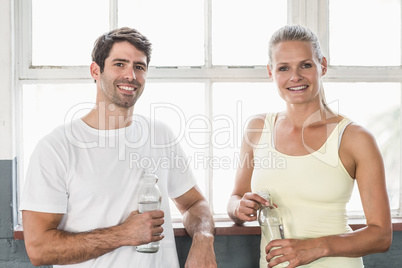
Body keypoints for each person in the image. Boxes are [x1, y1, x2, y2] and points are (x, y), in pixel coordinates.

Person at [21, 27, 217, 268]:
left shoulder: (160, 135)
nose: (131, 75)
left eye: (139, 67)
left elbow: (194, 204)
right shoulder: (56, 148)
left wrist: (203, 239)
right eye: (120, 64)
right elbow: (39, 248)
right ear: (96, 70)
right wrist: (123, 234)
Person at [227, 25, 392, 268]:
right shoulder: (257, 128)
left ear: (322, 65)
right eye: (284, 68)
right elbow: (235, 198)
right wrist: (239, 208)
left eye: (306, 65)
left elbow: (381, 235)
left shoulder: (354, 138)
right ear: (270, 72)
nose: (295, 77)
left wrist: (314, 247)